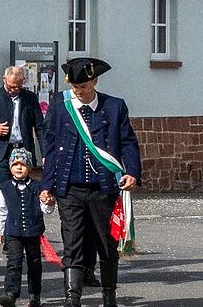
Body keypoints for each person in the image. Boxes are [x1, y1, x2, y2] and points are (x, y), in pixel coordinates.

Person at [40, 58, 141, 307]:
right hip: (69, 188)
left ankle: (109, 297)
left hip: (103, 189)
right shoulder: (61, 106)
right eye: (75, 86)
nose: (78, 91)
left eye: (83, 86)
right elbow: (51, 148)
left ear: (94, 81)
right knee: (72, 243)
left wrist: (133, 173)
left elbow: (128, 142)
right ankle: (72, 300)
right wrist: (47, 185)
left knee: (106, 243)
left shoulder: (114, 106)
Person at [0, 148, 54, 307]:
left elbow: (46, 209)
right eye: (15, 164)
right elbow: (1, 210)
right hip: (13, 232)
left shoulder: (38, 187)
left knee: (34, 263)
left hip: (33, 232)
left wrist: (49, 203)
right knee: (13, 262)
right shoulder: (5, 187)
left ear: (29, 167)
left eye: (23, 164)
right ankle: (10, 293)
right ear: (10, 167)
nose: (19, 168)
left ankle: (35, 296)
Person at [0, 66, 46, 193]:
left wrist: (45, 153)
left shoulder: (30, 98)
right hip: (1, 152)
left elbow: (40, 127)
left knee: (24, 192)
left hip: (23, 150)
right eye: (10, 86)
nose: (13, 90)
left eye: (17, 87)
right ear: (4, 79)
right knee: (5, 192)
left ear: (23, 82)